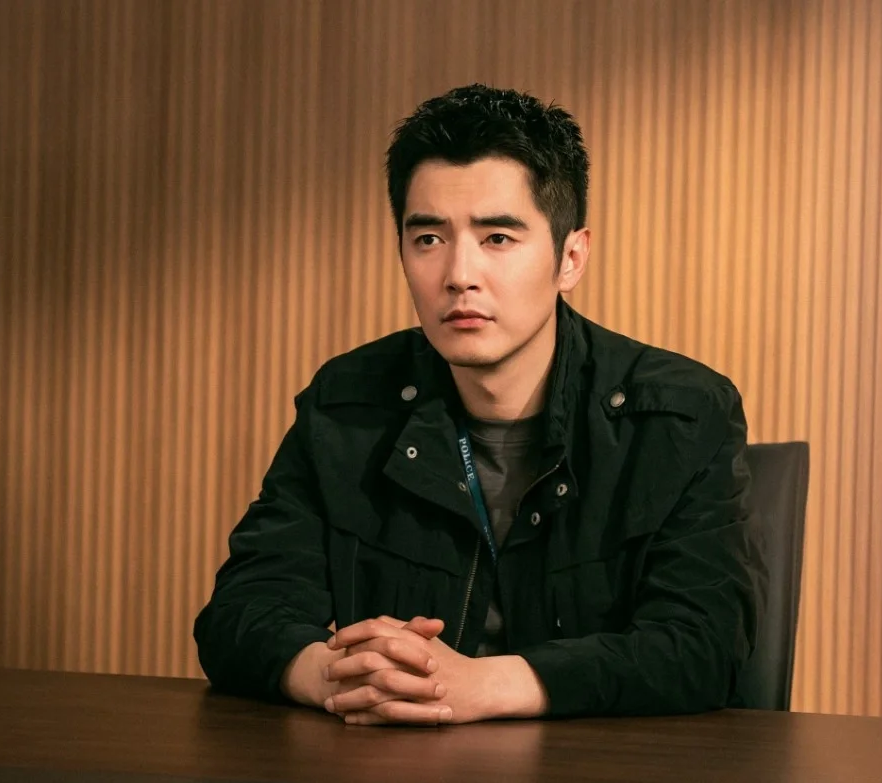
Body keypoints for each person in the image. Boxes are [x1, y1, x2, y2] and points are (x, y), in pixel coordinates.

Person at [193, 83, 766, 726]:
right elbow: (240, 611)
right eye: (428, 239)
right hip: (396, 760)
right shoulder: (350, 403)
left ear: (571, 257)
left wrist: (482, 686)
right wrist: (342, 676)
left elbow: (704, 646)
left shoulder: (680, 413)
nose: (459, 275)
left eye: (497, 238)